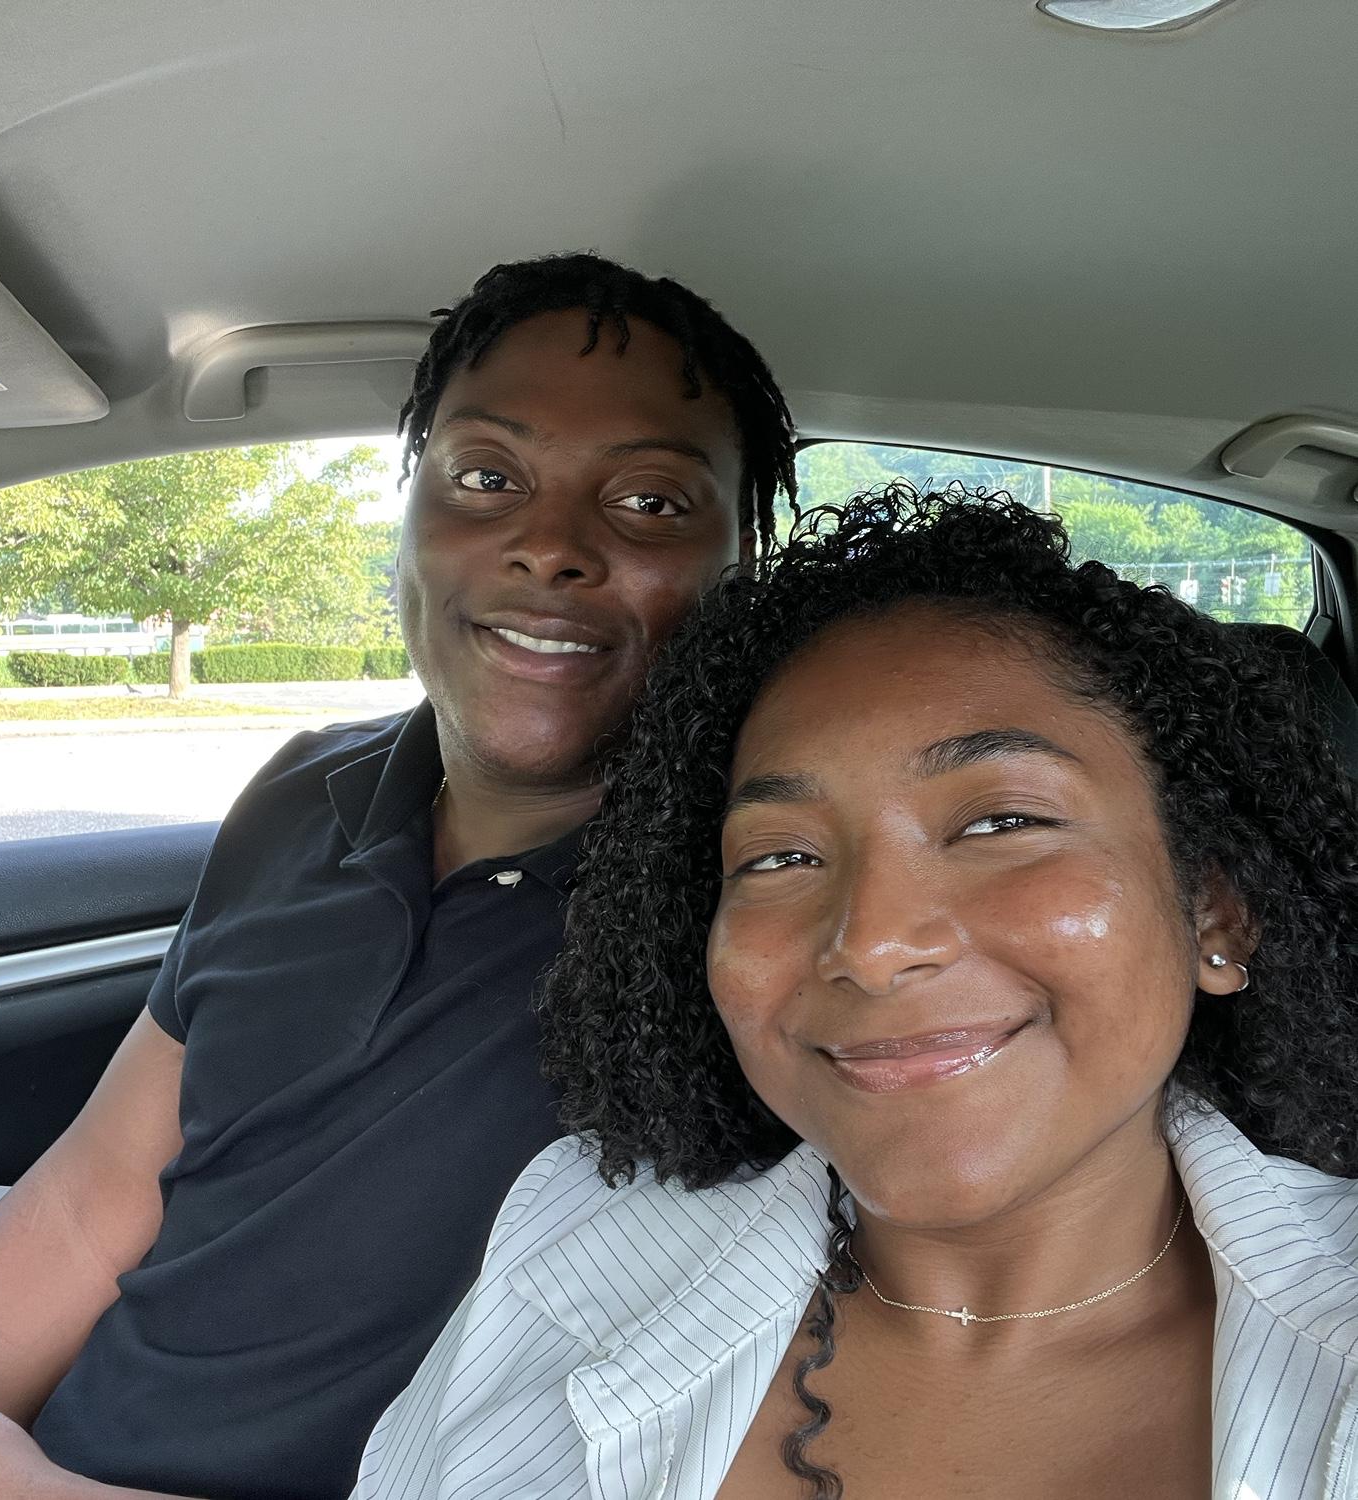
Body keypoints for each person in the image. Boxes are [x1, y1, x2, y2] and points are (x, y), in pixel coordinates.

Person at [0, 253, 797, 1500]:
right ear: (409, 513)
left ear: (745, 561)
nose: (551, 547)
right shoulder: (305, 792)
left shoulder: (763, 912)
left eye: (650, 501)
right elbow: (94, 1197)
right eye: (486, 477)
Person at [355, 487, 1358, 1499]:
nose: (873, 947)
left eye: (1002, 823)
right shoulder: (573, 1243)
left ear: (1216, 913)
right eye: (780, 856)